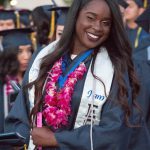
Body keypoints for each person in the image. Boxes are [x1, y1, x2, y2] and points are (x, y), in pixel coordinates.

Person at [4, 0, 150, 149]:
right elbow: (20, 114)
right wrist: (24, 136)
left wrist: (57, 139)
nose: (97, 27)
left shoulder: (115, 69)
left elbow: (116, 132)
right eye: (90, 18)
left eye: (106, 22)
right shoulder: (43, 58)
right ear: (75, 16)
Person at [0, 28, 34, 133]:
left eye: (29, 50)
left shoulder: (34, 79)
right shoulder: (2, 83)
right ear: (9, 54)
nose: (26, 57)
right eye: (20, 51)